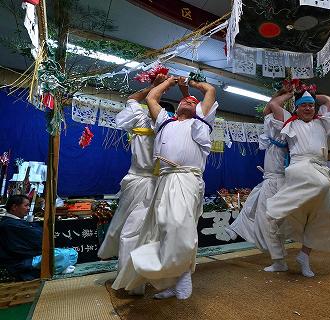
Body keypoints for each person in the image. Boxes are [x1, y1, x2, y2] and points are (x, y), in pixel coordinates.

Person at [112, 74, 217, 300]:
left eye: (193, 101)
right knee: (161, 230)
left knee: (178, 224)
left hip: (186, 178)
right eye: (186, 100)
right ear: (176, 107)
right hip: (164, 180)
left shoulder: (201, 123)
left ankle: (183, 275)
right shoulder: (165, 122)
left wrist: (191, 85)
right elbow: (151, 97)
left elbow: (210, 91)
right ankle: (169, 281)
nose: (190, 101)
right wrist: (168, 82)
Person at [98, 76, 178, 263]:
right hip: (141, 182)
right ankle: (133, 273)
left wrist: (156, 87)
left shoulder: (167, 127)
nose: (153, 109)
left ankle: (139, 274)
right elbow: (133, 99)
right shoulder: (150, 122)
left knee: (137, 229)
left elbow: (133, 99)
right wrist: (156, 86)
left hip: (155, 183)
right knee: (130, 227)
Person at [265, 88, 330, 278]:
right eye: (304, 105)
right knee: (322, 186)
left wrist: (311, 94)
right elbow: (274, 104)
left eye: (311, 105)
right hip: (300, 167)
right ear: (296, 108)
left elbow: (329, 99)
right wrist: (294, 93)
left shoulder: (322, 122)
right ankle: (276, 207)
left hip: (321, 168)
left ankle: (304, 256)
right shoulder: (290, 121)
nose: (308, 108)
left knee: (322, 214)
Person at [225, 85, 292, 272]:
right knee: (254, 203)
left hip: (279, 181)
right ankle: (236, 228)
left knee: (269, 219)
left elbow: (273, 105)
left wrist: (288, 94)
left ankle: (279, 260)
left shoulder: (284, 127)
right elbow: (267, 109)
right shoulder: (273, 134)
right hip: (270, 180)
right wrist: (279, 93)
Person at [0, 195, 77, 281]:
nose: (28, 208)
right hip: (22, 261)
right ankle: (58, 268)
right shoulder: (8, 225)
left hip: (33, 255)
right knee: (61, 255)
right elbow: (38, 237)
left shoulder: (17, 221)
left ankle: (60, 267)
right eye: (26, 205)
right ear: (14, 207)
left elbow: (38, 234)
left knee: (73, 253)